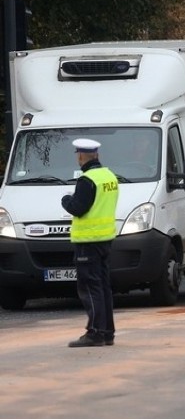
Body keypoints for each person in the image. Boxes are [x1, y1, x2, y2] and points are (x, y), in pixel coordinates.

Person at [62, 138, 120, 348]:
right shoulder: (108, 176)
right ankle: (107, 333)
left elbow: (78, 208)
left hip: (88, 241)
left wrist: (65, 200)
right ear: (96, 154)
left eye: (78, 154)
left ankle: (95, 333)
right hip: (105, 240)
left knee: (89, 287)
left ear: (81, 156)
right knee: (103, 287)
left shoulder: (87, 180)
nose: (78, 157)